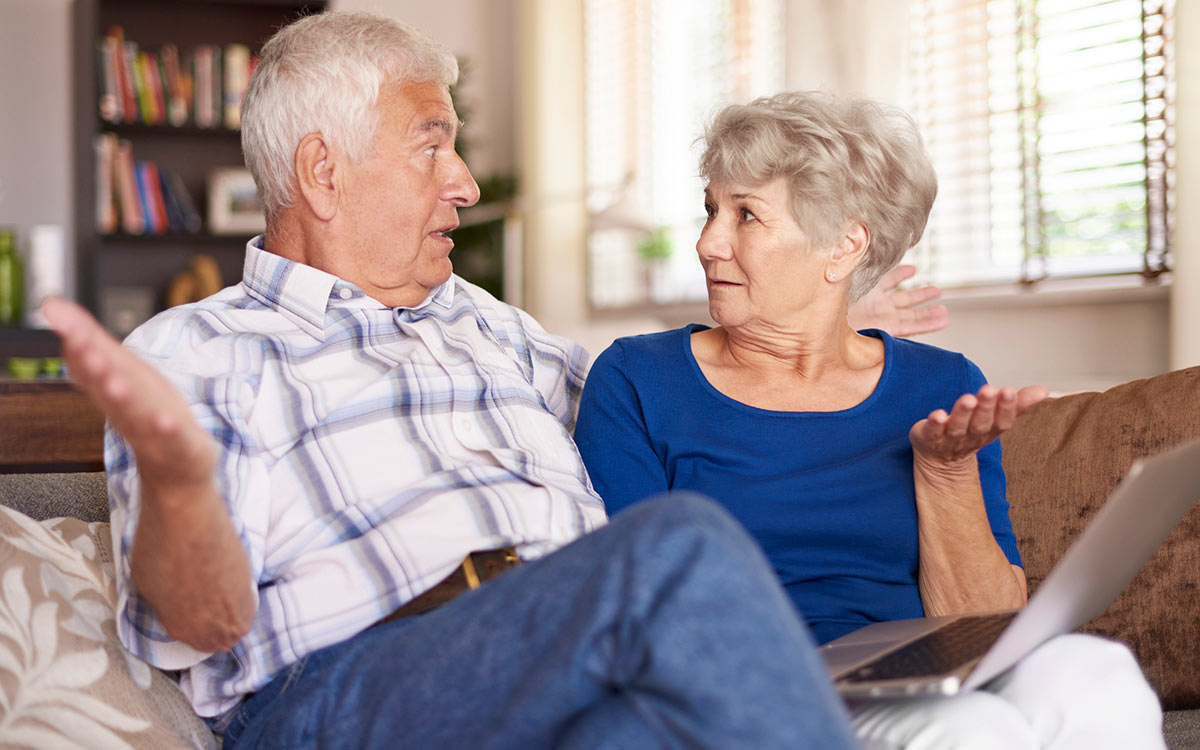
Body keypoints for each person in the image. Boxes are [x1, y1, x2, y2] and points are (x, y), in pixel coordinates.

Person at [42, 12, 946, 749]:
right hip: (348, 694)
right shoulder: (196, 349)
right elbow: (195, 627)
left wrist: (817, 327)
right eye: (432, 148)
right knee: (677, 546)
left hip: (561, 664)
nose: (467, 184)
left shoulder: (486, 322)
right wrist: (180, 483)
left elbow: (676, 393)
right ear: (323, 173)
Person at [572, 90, 1166, 749]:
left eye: (746, 215)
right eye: (712, 209)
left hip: (918, 679)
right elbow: (632, 605)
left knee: (1096, 673)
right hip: (750, 697)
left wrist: (944, 469)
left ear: (844, 245)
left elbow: (987, 625)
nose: (708, 242)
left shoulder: (942, 385)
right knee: (973, 731)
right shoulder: (638, 379)